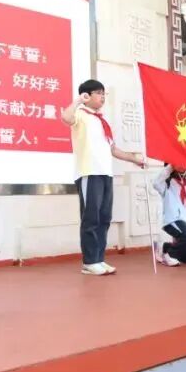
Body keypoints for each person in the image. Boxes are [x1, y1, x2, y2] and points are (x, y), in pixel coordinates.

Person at [61, 79, 145, 276]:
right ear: (87, 95)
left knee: (104, 218)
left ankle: (98, 259)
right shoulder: (80, 115)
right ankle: (89, 262)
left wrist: (135, 159)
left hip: (106, 174)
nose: (102, 97)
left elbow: (113, 149)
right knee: (91, 218)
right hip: (89, 172)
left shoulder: (102, 120)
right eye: (98, 93)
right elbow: (65, 117)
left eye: (103, 93)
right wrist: (78, 101)